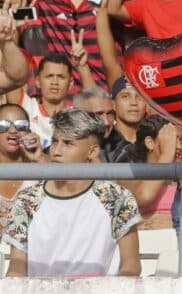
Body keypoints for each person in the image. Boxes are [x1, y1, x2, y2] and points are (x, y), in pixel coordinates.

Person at [2, 108, 142, 277]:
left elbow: (131, 266)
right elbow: (16, 267)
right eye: (54, 141)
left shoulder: (117, 198)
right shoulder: (26, 200)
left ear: (92, 152)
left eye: (68, 143)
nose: (56, 151)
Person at [126, 116, 179, 230]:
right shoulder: (131, 174)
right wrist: (167, 154)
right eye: (172, 140)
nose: (179, 146)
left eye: (181, 140)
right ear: (150, 143)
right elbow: (144, 196)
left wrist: (176, 223)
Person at [0, 104, 45, 235]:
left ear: (29, 130)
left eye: (21, 125)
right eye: (3, 125)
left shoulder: (41, 163)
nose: (13, 131)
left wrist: (40, 157)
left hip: (32, 248)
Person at [102, 76, 148, 162]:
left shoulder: (156, 142)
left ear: (148, 105)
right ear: (113, 104)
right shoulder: (103, 144)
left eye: (140, 97)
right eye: (125, 96)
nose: (134, 103)